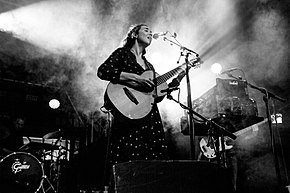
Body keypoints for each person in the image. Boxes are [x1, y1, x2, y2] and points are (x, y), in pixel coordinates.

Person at [97, 23, 168, 186]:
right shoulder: (122, 54)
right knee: (127, 157)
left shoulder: (150, 66)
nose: (150, 33)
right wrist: (136, 78)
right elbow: (103, 71)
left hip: (149, 116)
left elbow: (152, 96)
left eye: (151, 31)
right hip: (127, 114)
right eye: (146, 30)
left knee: (151, 159)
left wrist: (162, 91)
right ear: (134, 35)